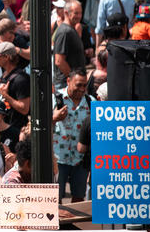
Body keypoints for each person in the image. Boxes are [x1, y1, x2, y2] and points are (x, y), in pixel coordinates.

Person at [52, 67, 92, 203]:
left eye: (84, 85)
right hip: (58, 159)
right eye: (78, 85)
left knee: (79, 199)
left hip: (80, 160)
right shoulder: (56, 99)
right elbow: (41, 126)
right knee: (56, 199)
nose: (81, 89)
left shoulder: (91, 102)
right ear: (68, 81)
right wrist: (54, 118)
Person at [0, 42, 31, 130]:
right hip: (7, 127)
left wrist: (5, 95)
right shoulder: (5, 75)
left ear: (7, 57)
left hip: (18, 129)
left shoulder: (21, 79)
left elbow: (24, 109)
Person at [53, 0, 88, 89]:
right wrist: (73, 79)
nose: (79, 16)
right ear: (66, 13)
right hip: (65, 85)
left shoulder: (71, 30)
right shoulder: (65, 32)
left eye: (80, 13)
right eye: (76, 13)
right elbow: (59, 61)